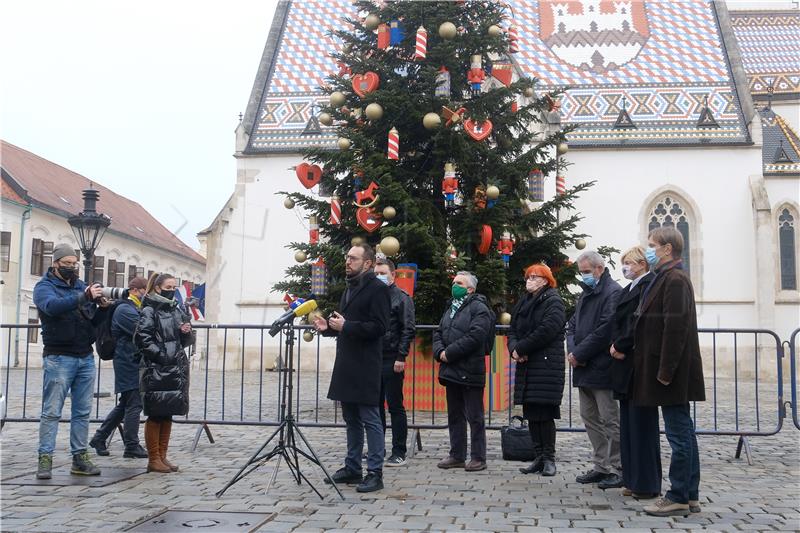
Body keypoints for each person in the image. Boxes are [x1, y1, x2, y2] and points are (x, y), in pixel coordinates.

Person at [633, 228, 705, 517]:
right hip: (666, 369)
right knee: (683, 430)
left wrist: (665, 372)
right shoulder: (665, 277)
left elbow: (675, 330)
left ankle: (677, 494)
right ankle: (689, 494)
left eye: (652, 245)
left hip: (671, 372)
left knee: (679, 433)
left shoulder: (674, 279)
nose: (648, 249)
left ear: (667, 249)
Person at [313, 244, 391, 493]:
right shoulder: (349, 286)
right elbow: (344, 325)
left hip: (366, 363)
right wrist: (328, 327)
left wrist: (346, 326)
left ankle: (375, 472)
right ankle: (353, 468)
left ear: (367, 263)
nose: (347, 261)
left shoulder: (378, 289)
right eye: (347, 257)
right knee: (351, 419)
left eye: (353, 258)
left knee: (370, 418)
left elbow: (379, 327)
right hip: (346, 362)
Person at [33, 243, 106, 479]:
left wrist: (103, 307)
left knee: (82, 411)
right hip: (59, 356)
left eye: (74, 264)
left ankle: (79, 458)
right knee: (52, 411)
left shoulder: (80, 285)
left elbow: (92, 319)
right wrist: (83, 296)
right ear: (55, 263)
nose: (72, 268)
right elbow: (52, 307)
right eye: (67, 264)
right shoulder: (44, 287)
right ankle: (45, 459)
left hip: (85, 355)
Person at [567, 250, 623, 489]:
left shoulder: (612, 293)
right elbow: (571, 326)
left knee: (610, 420)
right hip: (583, 368)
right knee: (590, 418)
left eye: (587, 272)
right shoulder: (586, 294)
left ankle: (619, 467)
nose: (584, 277)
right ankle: (601, 465)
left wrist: (579, 354)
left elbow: (605, 329)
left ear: (599, 269)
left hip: (602, 367)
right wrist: (573, 351)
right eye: (581, 273)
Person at [609, 247, 660, 499]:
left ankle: (645, 482)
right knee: (629, 426)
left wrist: (621, 344)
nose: (625, 267)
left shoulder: (648, 285)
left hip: (636, 360)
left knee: (642, 427)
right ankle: (631, 478)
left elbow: (637, 323)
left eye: (628, 263)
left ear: (642, 264)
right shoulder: (630, 288)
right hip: (623, 364)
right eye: (624, 263)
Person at [509, 264, 566, 477]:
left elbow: (547, 330)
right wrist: (514, 349)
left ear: (546, 280)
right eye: (528, 276)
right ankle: (538, 456)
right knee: (532, 413)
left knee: (545, 413)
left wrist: (522, 347)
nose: (529, 280)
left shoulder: (553, 300)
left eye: (535, 277)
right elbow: (514, 328)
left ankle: (549, 458)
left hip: (546, 365)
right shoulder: (525, 301)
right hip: (527, 365)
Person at [433, 271, 494, 472]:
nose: (454, 285)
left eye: (459, 283)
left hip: (470, 369)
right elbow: (439, 331)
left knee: (474, 416)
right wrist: (440, 351)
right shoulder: (451, 307)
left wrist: (449, 353)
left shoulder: (479, 308)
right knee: (454, 415)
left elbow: (476, 336)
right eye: (453, 282)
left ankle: (478, 457)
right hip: (451, 370)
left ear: (470, 289)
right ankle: (457, 455)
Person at [134, 273, 192, 474]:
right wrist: (161, 356)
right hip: (157, 367)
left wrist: (185, 332)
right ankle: (153, 458)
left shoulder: (175, 309)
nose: (172, 289)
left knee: (168, 412)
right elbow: (143, 338)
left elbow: (182, 340)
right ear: (158, 288)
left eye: (174, 286)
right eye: (168, 286)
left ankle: (162, 455)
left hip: (174, 366)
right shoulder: (149, 309)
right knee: (156, 414)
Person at [89, 277, 149, 459]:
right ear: (136, 290)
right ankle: (131, 445)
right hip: (127, 361)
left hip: (131, 360)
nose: (147, 295)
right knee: (134, 403)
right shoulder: (125, 309)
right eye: (145, 290)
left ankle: (99, 438)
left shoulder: (132, 307)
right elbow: (141, 331)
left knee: (126, 404)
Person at [374, 258, 415, 467]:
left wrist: (401, 356)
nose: (379, 276)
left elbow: (408, 329)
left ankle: (399, 451)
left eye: (382, 272)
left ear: (392, 275)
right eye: (376, 273)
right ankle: (377, 448)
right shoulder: (374, 296)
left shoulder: (401, 297)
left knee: (395, 406)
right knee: (375, 405)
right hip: (374, 357)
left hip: (392, 357)